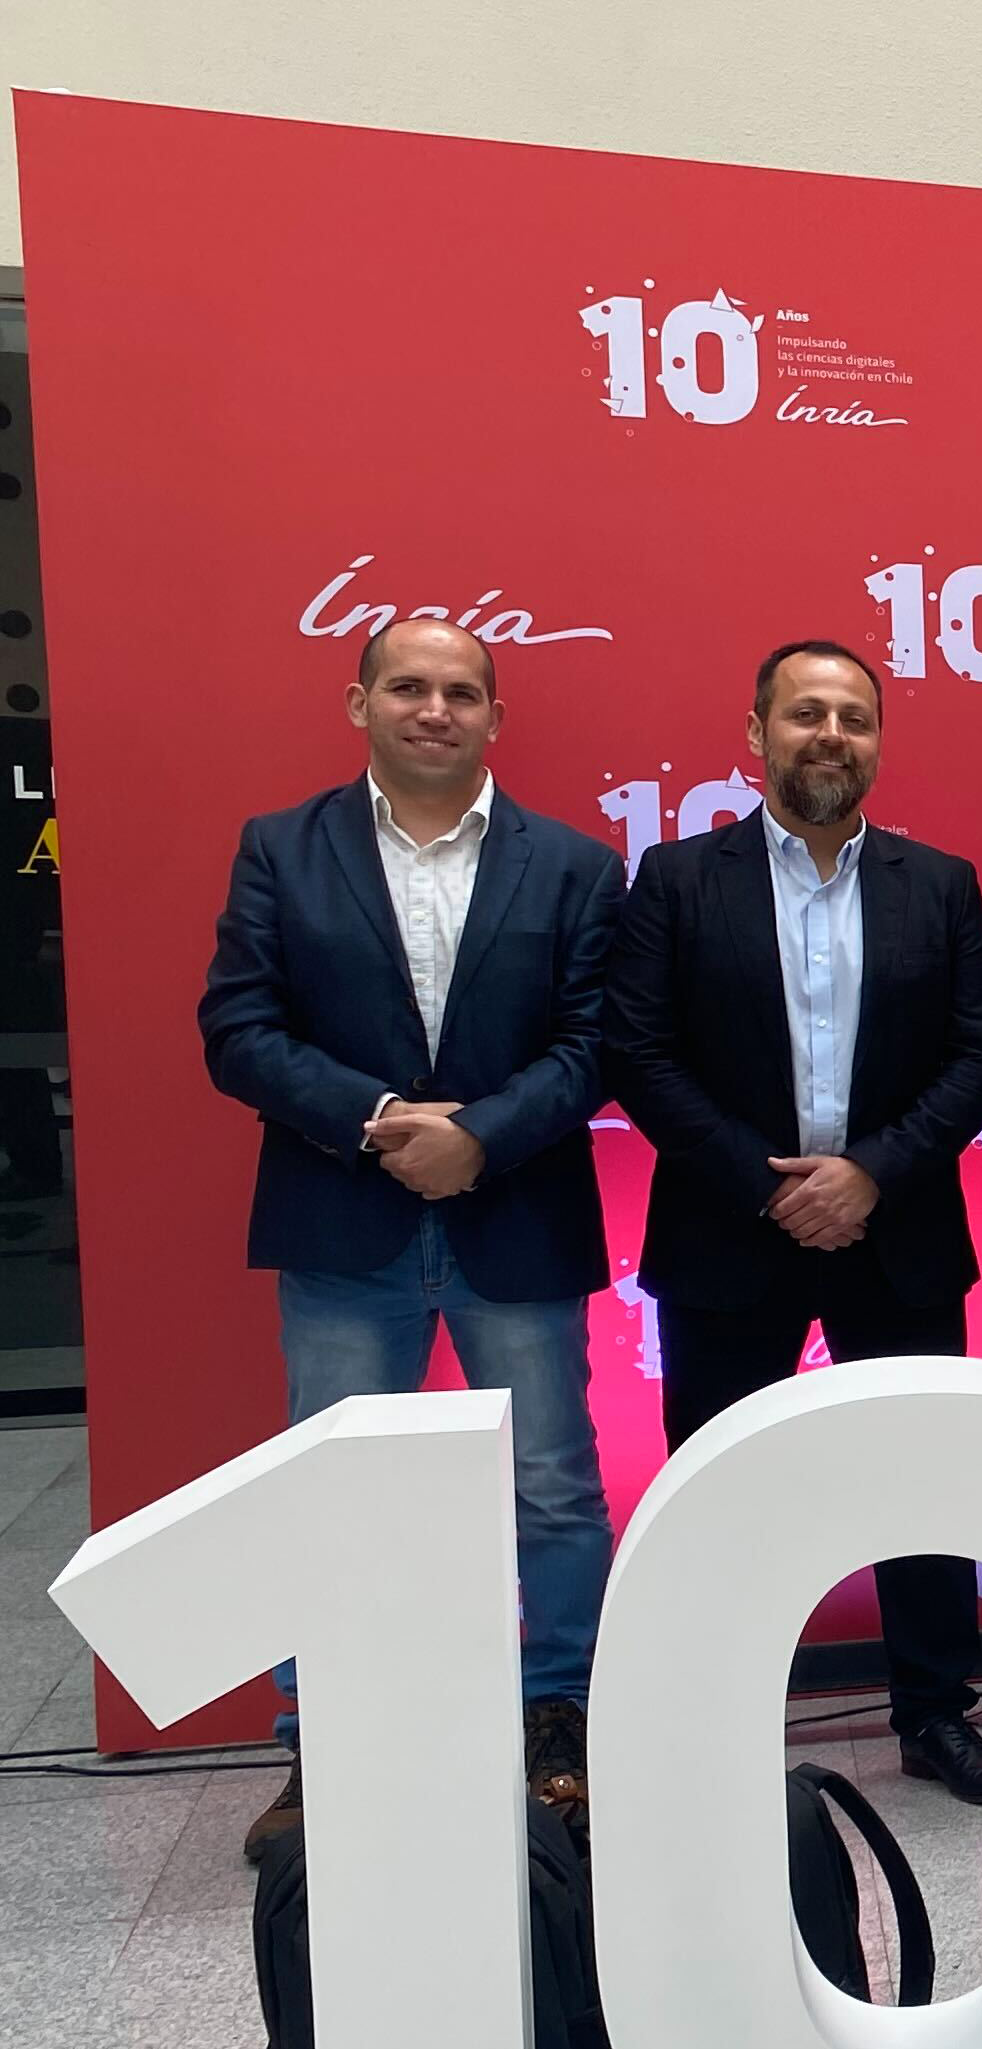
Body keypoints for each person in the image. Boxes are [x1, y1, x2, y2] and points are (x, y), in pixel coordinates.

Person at [201, 619, 623, 1858]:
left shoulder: (577, 866)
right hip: (346, 1215)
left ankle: (562, 1716)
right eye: (409, 687)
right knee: (328, 1492)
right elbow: (236, 1025)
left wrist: (481, 1135)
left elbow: (597, 1042)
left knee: (551, 1488)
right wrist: (379, 1119)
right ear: (359, 702)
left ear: (495, 717)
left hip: (516, 1214)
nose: (434, 709)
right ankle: (317, 1739)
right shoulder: (281, 848)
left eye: (460, 692)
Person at [603, 640, 982, 1805]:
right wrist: (769, 1181)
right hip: (729, 1236)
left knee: (922, 1488)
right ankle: (713, 1723)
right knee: (724, 1496)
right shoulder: (678, 880)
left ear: (879, 742)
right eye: (805, 714)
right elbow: (638, 1052)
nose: (830, 734)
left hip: (896, 1233)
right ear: (756, 734)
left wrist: (870, 1173)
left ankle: (935, 1716)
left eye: (853, 716)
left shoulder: (937, 883)